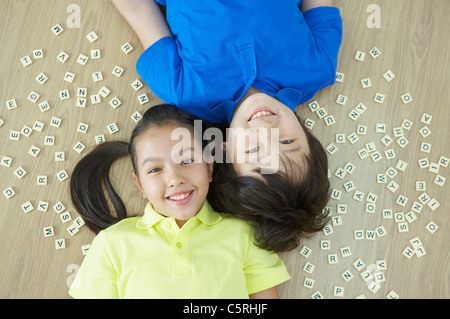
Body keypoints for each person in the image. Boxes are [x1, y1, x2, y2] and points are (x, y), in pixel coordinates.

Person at [111, 0, 342, 251]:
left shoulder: (184, 92)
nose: (265, 130)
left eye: (253, 151)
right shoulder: (319, 69)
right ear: (307, 136)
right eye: (287, 142)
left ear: (223, 151)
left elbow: (137, 10)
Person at [68, 104, 290, 299]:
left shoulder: (246, 234)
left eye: (187, 160)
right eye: (155, 169)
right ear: (140, 185)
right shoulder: (111, 244)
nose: (174, 179)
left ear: (209, 167)